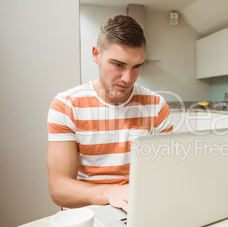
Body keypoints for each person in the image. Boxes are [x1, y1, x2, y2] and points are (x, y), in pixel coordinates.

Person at [47, 15, 173, 212]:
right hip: (86, 215)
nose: (127, 78)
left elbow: (165, 175)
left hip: (137, 211)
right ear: (96, 55)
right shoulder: (66, 105)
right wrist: (111, 193)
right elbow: (59, 189)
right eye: (118, 64)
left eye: (137, 66)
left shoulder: (157, 106)